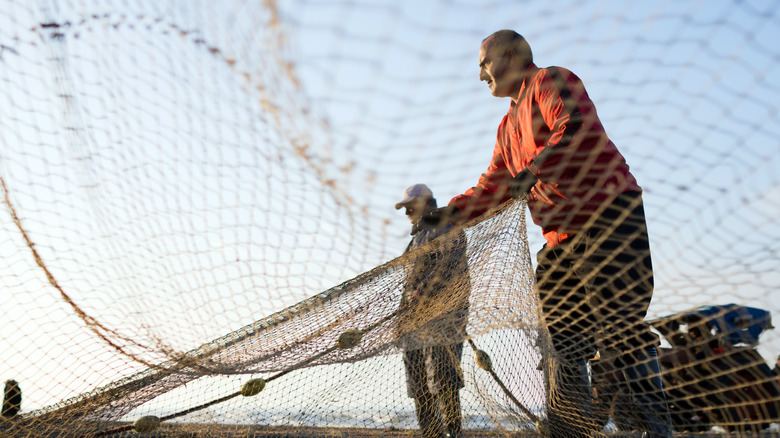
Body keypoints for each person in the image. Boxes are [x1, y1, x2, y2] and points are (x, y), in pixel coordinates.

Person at [421, 30, 672, 437]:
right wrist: (447, 214)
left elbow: (574, 128)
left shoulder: (551, 80)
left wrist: (533, 172)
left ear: (512, 54)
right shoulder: (506, 128)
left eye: (485, 62)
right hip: (560, 240)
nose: (480, 72)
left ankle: (658, 430)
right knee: (562, 341)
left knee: (620, 327)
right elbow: (493, 187)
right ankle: (570, 429)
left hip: (608, 217)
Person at [395, 184, 469, 438]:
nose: (407, 213)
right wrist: (401, 316)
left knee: (443, 376)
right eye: (404, 209)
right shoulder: (414, 241)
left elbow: (451, 266)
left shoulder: (446, 227)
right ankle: (431, 434)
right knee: (418, 383)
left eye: (410, 207)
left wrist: (423, 293)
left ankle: (453, 432)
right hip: (414, 323)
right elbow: (408, 285)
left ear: (427, 203)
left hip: (445, 317)